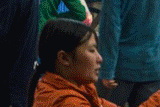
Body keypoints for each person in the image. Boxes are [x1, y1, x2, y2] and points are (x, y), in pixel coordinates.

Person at [30, 19, 160, 107]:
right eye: (91, 50)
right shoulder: (69, 102)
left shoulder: (80, 88)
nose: (100, 58)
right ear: (64, 58)